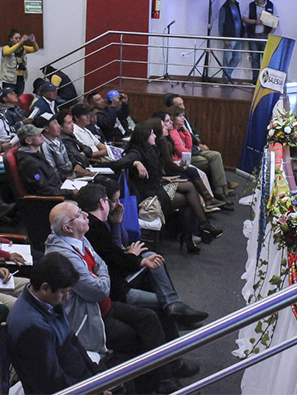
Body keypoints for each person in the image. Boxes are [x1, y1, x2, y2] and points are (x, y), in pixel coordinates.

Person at [43, 201, 180, 394]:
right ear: (67, 227)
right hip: (89, 319)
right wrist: (100, 275)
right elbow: (99, 290)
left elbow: (101, 265)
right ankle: (151, 387)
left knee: (149, 318)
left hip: (104, 307)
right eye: (79, 215)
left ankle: (164, 379)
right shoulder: (64, 257)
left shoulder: (80, 238)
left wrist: (99, 274)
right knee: (137, 338)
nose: (86, 215)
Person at [78, 182, 208, 329]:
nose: (117, 205)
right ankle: (172, 311)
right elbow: (113, 258)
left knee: (152, 259)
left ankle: (173, 306)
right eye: (112, 201)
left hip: (116, 273)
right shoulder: (95, 228)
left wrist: (117, 224)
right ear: (102, 202)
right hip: (115, 287)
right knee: (160, 295)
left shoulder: (102, 222)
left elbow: (119, 246)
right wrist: (136, 259)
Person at [115, 124, 221, 253]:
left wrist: (162, 178)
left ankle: (195, 230)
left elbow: (153, 173)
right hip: (147, 196)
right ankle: (197, 229)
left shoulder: (150, 149)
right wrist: (135, 163)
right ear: (145, 137)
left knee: (189, 187)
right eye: (152, 134)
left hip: (156, 187)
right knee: (189, 197)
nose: (155, 136)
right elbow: (117, 164)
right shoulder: (135, 153)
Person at [5, 253, 99, 395]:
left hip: (79, 378)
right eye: (64, 292)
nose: (67, 297)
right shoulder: (31, 328)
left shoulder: (48, 302)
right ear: (45, 288)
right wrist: (94, 390)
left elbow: (72, 339)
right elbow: (52, 383)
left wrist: (97, 374)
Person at [162, 93, 237, 197]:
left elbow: (190, 135)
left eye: (183, 104)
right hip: (185, 157)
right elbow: (184, 151)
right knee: (207, 162)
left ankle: (222, 187)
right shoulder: (173, 130)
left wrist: (192, 136)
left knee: (216, 155)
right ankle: (218, 191)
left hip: (192, 149)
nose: (183, 107)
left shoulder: (182, 119)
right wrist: (197, 147)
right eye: (179, 105)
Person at [16, 124, 66, 196]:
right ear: (28, 140)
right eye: (38, 135)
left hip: (58, 188)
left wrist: (65, 178)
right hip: (51, 200)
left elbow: (50, 173)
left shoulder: (35, 153)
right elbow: (42, 189)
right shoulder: (28, 162)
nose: (41, 136)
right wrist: (68, 193)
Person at [39, 115, 90, 179]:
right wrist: (67, 177)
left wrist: (76, 165)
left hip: (72, 174)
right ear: (46, 128)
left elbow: (70, 157)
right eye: (55, 123)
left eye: (57, 123)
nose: (59, 126)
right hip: (64, 180)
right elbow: (52, 170)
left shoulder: (58, 139)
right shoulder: (44, 145)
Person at [242, 0, 276, 81]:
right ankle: (255, 81)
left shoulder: (270, 5)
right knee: (255, 59)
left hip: (265, 36)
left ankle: (265, 81)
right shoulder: (251, 5)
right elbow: (244, 19)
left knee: (266, 60)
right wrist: (255, 22)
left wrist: (271, 33)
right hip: (253, 36)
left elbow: (275, 21)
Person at [218, 0, 246, 83]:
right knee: (227, 58)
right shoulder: (224, 8)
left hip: (238, 36)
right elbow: (221, 24)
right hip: (229, 37)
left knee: (237, 58)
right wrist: (224, 38)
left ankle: (227, 75)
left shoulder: (237, 5)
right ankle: (226, 78)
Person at [0, 29, 40, 94]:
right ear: (10, 39)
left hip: (21, 78)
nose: (18, 40)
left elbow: (35, 49)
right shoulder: (6, 47)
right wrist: (20, 43)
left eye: (19, 38)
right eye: (16, 38)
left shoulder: (22, 48)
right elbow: (8, 52)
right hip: (9, 79)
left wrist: (33, 42)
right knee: (9, 97)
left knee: (19, 97)